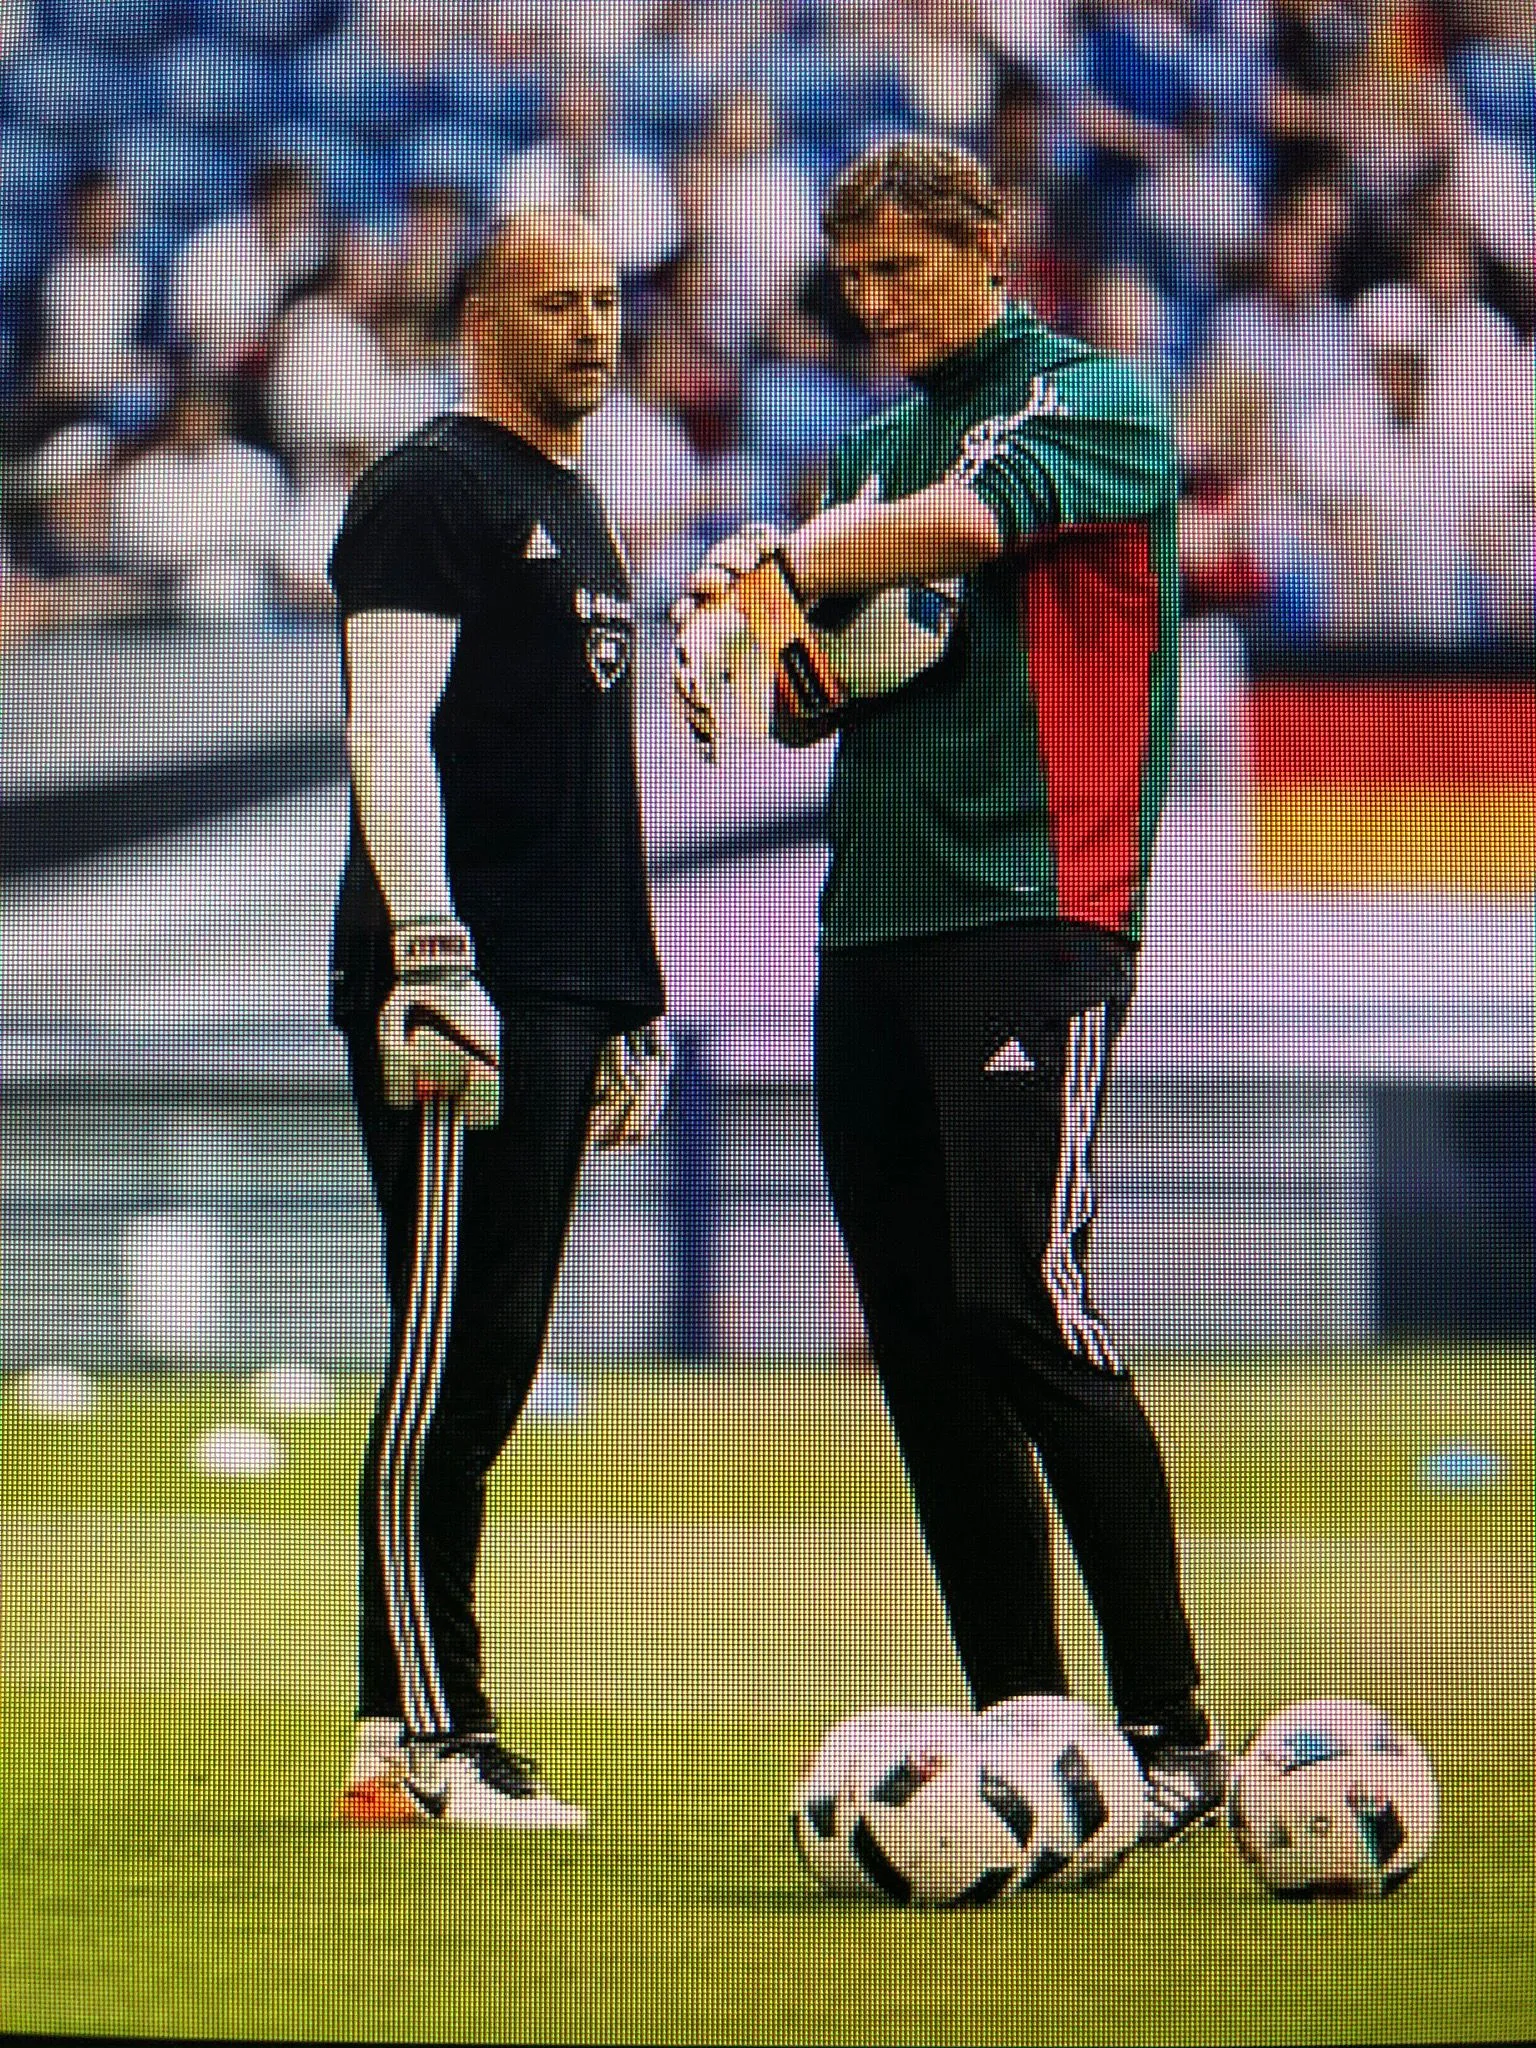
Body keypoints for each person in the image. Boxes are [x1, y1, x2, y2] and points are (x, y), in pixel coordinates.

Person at [674, 136, 1224, 1843]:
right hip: (874, 932)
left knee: (1022, 1300)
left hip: (1036, 912)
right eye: (855, 280)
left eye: (901, 270)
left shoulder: (1092, 398)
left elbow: (962, 529)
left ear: (991, 246)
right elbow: (809, 700)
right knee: (917, 1340)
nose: (876, 304)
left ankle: (1175, 1732)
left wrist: (779, 555)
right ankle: (1030, 1728)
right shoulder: (864, 440)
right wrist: (760, 632)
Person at [328, 207, 671, 1829]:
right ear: (481, 317)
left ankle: (403, 1732)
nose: (593, 326)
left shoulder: (579, 503)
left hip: (557, 988)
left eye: (607, 299)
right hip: (458, 994)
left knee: (498, 1356)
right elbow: (385, 730)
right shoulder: (430, 490)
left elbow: (590, 781)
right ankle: (424, 1736)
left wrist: (633, 1003)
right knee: (446, 1362)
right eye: (557, 301)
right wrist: (430, 951)